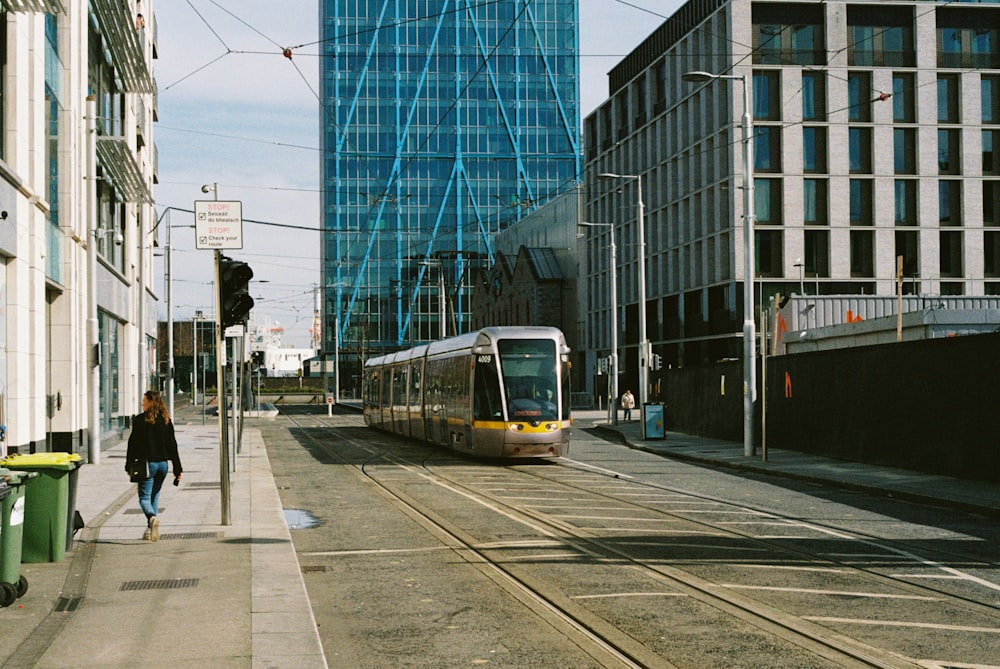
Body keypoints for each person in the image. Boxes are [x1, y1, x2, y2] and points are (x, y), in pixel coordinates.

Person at [125, 390, 183, 541]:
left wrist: (129, 464)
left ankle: (151, 518)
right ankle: (149, 531)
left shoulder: (139, 421)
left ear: (151, 402)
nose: (142, 403)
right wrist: (177, 469)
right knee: (155, 495)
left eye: (144, 401)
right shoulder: (166, 421)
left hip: (148, 465)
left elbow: (132, 444)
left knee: (144, 498)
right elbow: (173, 445)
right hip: (163, 465)